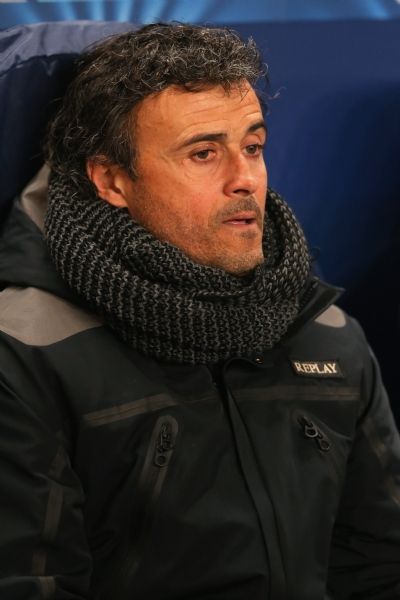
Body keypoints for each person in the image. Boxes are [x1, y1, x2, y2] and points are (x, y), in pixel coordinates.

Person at [0, 22, 399, 600]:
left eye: (253, 147)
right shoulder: (25, 351)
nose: (246, 180)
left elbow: (381, 567)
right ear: (111, 180)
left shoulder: (328, 333)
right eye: (204, 153)